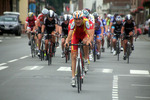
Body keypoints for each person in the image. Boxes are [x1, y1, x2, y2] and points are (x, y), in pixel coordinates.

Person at [64, 10, 92, 87]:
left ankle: (86, 59)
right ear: (74, 19)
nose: (78, 21)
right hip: (75, 36)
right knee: (73, 56)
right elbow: (69, 35)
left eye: (79, 19)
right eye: (76, 19)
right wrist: (66, 42)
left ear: (82, 18)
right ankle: (73, 78)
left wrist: (89, 41)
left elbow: (90, 34)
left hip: (84, 35)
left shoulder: (86, 22)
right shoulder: (72, 23)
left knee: (86, 42)